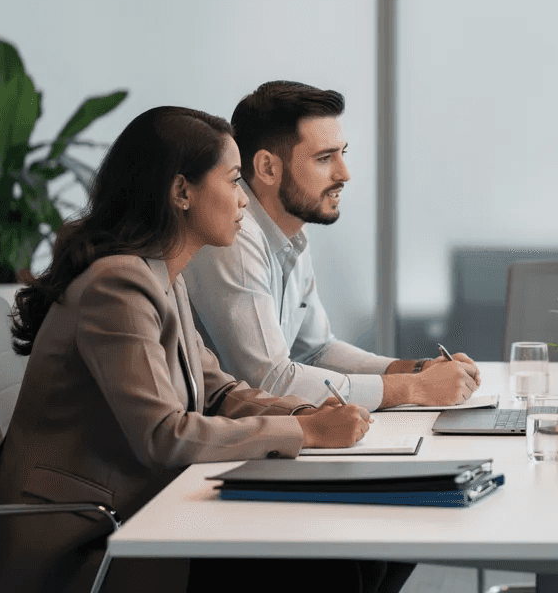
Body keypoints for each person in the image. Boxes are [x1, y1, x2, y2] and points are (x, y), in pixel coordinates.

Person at [0, 107, 408, 593]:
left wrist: (305, 411)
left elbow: (217, 391)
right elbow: (165, 435)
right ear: (182, 192)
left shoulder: (160, 276)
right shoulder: (118, 285)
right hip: (77, 543)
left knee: (373, 548)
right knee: (332, 564)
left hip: (136, 511)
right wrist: (304, 429)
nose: (244, 200)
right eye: (234, 180)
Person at [183, 81, 480, 410]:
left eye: (343, 153)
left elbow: (317, 351)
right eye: (324, 158)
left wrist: (415, 369)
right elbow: (270, 382)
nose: (344, 173)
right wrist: (412, 388)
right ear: (268, 167)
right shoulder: (234, 235)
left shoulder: (292, 233)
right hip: (218, 445)